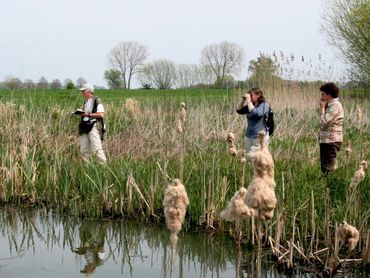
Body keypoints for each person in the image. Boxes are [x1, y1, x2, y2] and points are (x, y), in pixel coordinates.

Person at [77, 83, 107, 164]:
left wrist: (87, 114)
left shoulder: (97, 100)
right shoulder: (85, 102)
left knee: (97, 148)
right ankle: (86, 169)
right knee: (84, 150)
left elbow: (101, 114)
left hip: (93, 126)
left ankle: (103, 167)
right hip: (84, 127)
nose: (82, 93)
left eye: (83, 91)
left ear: (89, 91)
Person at [318, 82, 344, 174]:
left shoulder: (335, 106)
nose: (321, 97)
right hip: (327, 141)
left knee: (329, 169)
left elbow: (324, 122)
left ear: (329, 94)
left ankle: (331, 186)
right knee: (325, 169)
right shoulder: (331, 106)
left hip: (331, 141)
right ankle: (327, 187)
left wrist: (322, 109)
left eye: (323, 94)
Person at [236, 87, 270, 154]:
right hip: (248, 136)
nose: (250, 97)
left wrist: (248, 101)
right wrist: (243, 99)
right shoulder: (251, 105)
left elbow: (256, 113)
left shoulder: (264, 105)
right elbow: (238, 110)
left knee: (260, 159)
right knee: (249, 158)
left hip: (260, 137)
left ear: (258, 95)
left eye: (251, 95)